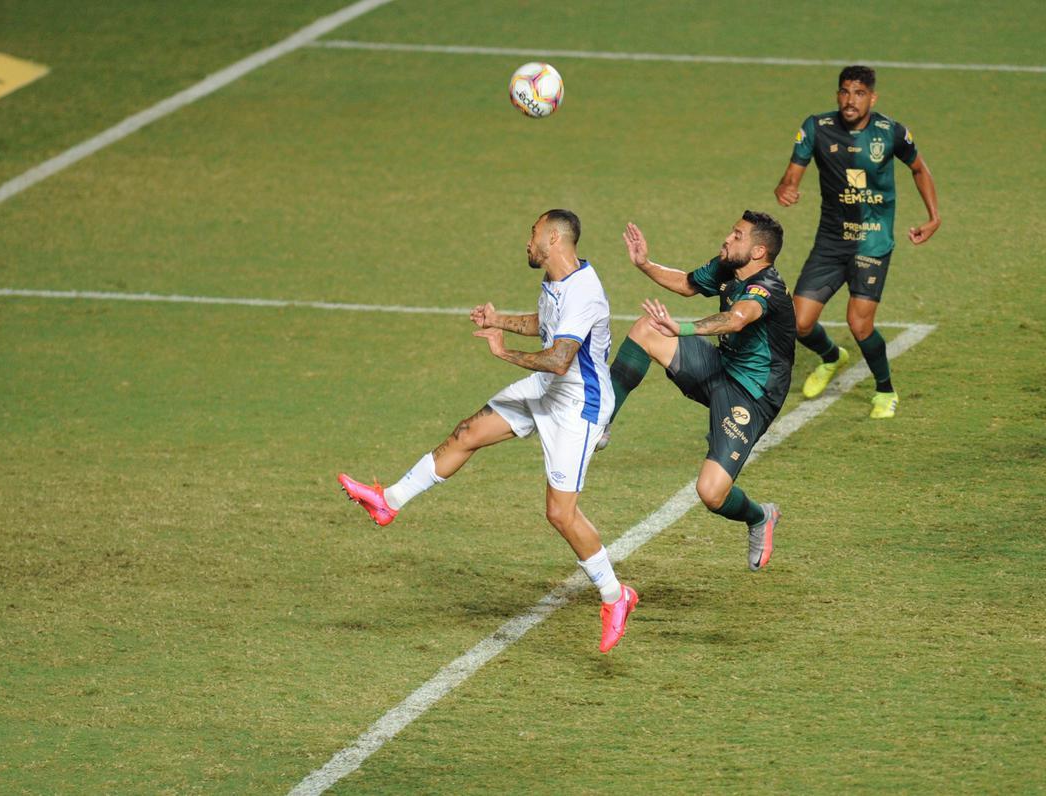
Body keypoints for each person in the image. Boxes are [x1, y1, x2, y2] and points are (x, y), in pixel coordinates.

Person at [337, 210, 638, 652]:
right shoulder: (559, 280)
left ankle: (616, 597)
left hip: (579, 407)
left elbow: (559, 358)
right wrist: (499, 321)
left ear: (554, 239)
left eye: (533, 234)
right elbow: (546, 324)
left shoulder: (584, 292)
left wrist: (503, 353)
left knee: (560, 514)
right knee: (467, 433)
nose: (527, 241)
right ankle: (390, 501)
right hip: (549, 387)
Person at [604, 211, 795, 571]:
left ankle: (760, 517)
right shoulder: (730, 268)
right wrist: (645, 264)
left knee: (711, 493)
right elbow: (688, 283)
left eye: (737, 235)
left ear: (758, 251)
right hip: (721, 366)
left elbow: (736, 319)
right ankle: (602, 419)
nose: (727, 238)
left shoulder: (765, 288)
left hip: (751, 396)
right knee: (648, 329)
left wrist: (683, 328)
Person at [775, 65, 941, 419]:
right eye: (845, 92)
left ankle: (885, 390)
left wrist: (933, 216)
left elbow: (919, 169)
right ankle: (833, 357)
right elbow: (791, 175)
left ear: (872, 97)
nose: (851, 100)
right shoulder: (816, 128)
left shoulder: (890, 131)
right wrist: (786, 188)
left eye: (859, 93)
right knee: (797, 322)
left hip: (872, 241)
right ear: (838, 94)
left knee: (859, 324)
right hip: (832, 241)